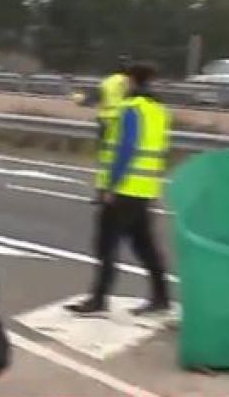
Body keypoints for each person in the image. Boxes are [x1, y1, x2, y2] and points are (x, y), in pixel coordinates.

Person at [70, 62, 170, 316]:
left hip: (124, 189)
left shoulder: (131, 109)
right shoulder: (158, 110)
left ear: (131, 82)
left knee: (106, 245)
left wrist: (110, 187)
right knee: (144, 246)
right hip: (144, 190)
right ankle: (161, 297)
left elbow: (126, 148)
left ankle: (98, 299)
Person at [93, 56, 132, 202]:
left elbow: (96, 99)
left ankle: (100, 193)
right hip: (120, 121)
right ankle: (117, 192)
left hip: (104, 120)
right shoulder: (128, 83)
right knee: (122, 157)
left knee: (104, 159)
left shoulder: (106, 81)